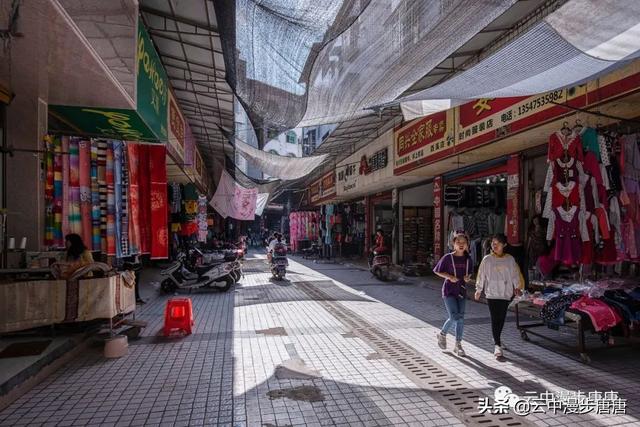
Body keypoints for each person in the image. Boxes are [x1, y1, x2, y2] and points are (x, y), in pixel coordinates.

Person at [475, 233, 524, 359]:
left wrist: (518, 287)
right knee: (494, 318)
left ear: (504, 245)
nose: (494, 245)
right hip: (491, 293)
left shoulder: (510, 259)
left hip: (505, 294)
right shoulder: (487, 259)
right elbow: (481, 275)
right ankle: (497, 345)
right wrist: (478, 289)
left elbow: (515, 274)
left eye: (497, 243)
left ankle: (497, 338)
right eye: (493, 243)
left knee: (501, 318)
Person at [433, 232, 473, 356]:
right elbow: (437, 271)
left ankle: (458, 344)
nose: (461, 244)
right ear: (453, 244)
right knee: (454, 316)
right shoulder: (447, 257)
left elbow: (470, 273)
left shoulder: (468, 259)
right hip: (449, 291)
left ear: (467, 245)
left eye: (463, 242)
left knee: (461, 318)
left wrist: (468, 278)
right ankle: (442, 334)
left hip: (461, 291)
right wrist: (449, 277)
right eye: (458, 242)